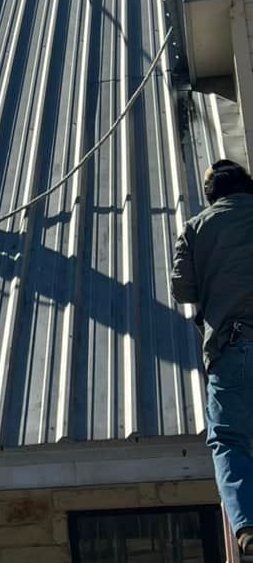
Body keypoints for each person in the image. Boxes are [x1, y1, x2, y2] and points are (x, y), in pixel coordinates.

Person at [171, 159, 253, 558]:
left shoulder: (196, 227)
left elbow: (182, 289)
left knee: (228, 440)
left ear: (211, 195)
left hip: (232, 347)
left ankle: (246, 525)